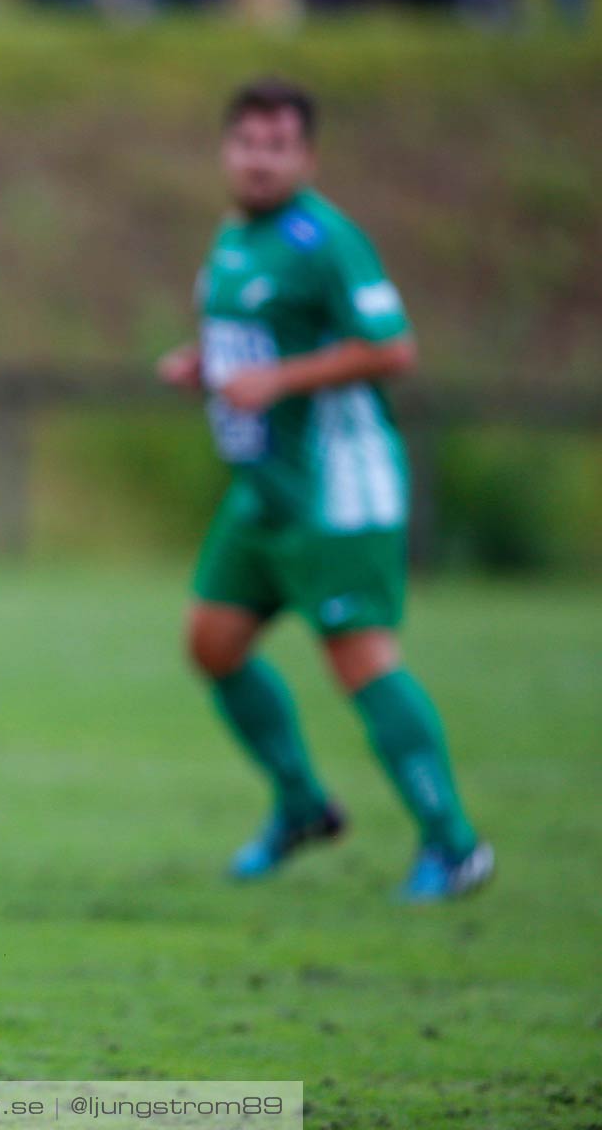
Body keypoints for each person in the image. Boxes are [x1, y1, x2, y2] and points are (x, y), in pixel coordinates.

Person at [156, 77, 493, 902]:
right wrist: (206, 364)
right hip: (262, 494)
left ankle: (454, 843)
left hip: (337, 491)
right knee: (213, 645)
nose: (260, 160)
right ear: (227, 149)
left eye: (278, 146)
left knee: (362, 661)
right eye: (248, 143)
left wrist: (278, 379)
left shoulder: (327, 240)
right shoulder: (236, 236)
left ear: (306, 156)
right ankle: (303, 803)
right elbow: (249, 335)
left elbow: (392, 349)